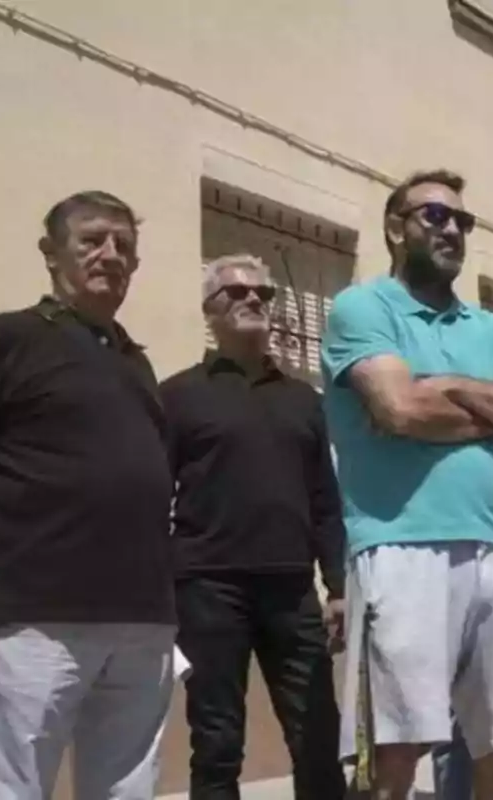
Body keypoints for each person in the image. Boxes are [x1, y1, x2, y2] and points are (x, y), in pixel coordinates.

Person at [0, 191, 176, 799]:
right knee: (6, 788)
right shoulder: (5, 339)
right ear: (52, 255)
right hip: (29, 619)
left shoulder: (135, 363)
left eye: (124, 245)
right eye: (92, 240)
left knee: (128, 788)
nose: (111, 254)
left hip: (143, 620)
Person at [322, 168, 493, 800]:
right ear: (395, 228)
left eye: (461, 220)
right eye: (434, 216)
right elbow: (399, 410)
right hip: (400, 547)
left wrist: (446, 387)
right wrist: (489, 410)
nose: (451, 228)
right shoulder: (361, 308)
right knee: (393, 757)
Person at [160, 253, 348, 800]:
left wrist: (337, 586)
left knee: (317, 732)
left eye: (262, 295)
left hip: (292, 590)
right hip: (207, 589)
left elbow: (325, 500)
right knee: (217, 739)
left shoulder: (303, 401)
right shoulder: (177, 396)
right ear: (209, 313)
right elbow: (154, 493)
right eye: (235, 293)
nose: (251, 302)